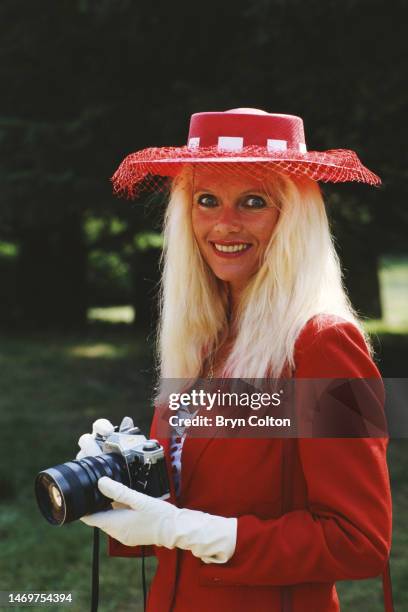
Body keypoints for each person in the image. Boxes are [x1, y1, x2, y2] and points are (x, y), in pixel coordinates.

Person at [78, 109, 392, 612]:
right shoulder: (201, 336)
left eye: (253, 201)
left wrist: (198, 532)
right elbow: (189, 501)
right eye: (207, 200)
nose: (225, 224)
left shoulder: (325, 344)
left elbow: (359, 540)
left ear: (292, 216)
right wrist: (122, 481)